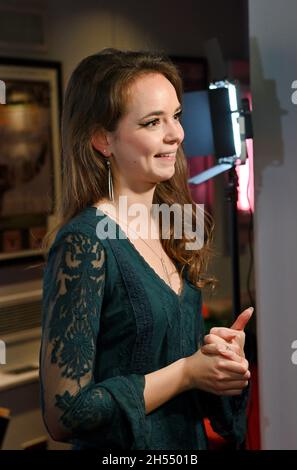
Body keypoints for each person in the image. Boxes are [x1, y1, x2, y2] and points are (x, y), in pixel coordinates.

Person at [40, 48, 252, 450]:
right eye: (153, 122)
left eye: (176, 116)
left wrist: (216, 359)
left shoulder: (181, 224)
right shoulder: (85, 242)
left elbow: (177, 357)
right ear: (103, 139)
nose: (176, 134)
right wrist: (187, 373)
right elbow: (65, 413)